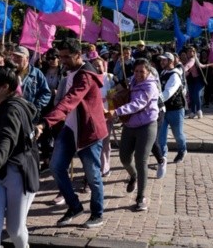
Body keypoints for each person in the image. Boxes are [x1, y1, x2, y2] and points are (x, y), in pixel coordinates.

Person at [35, 38, 107, 229]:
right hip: (69, 128)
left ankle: (97, 213)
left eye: (66, 56)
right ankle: (74, 206)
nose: (62, 60)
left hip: (89, 132)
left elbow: (69, 101)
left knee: (92, 175)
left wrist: (45, 123)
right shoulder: (70, 73)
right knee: (56, 167)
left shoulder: (85, 76)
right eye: (61, 56)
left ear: (78, 55)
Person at [0, 66, 39, 248]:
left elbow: (7, 140)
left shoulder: (11, 110)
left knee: (15, 229)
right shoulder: (2, 104)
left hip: (18, 174)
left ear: (5, 87)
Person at [106, 58, 159, 212]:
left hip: (147, 126)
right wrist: (112, 92)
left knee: (141, 160)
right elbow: (119, 86)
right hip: (129, 125)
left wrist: (116, 112)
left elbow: (138, 104)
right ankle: (133, 176)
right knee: (124, 158)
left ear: (148, 71)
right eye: (136, 71)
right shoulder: (132, 81)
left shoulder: (150, 86)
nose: (138, 74)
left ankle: (141, 196)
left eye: (141, 71)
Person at [157, 53, 188, 165]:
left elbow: (167, 93)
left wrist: (154, 100)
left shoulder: (175, 75)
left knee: (178, 134)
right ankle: (163, 157)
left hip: (176, 109)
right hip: (163, 109)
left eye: (164, 60)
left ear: (171, 61)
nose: (161, 62)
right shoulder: (163, 73)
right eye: (161, 60)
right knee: (161, 136)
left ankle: (182, 150)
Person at [11, 46, 51, 119]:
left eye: (19, 57)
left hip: (30, 115)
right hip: (12, 113)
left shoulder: (36, 73)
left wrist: (36, 107)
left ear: (27, 59)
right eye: (14, 56)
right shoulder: (10, 73)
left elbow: (46, 93)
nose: (15, 59)